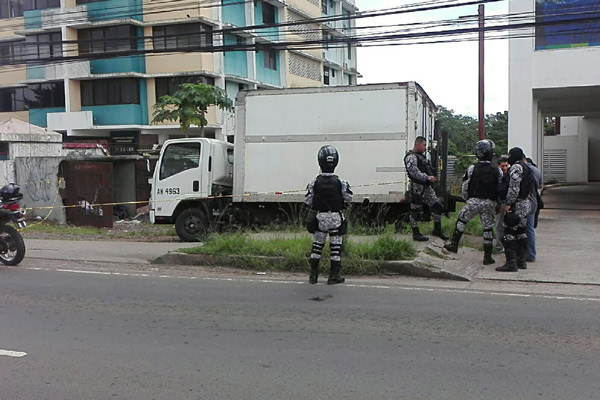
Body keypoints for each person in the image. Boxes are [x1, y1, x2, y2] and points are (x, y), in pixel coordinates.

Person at [444, 139, 503, 265]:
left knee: (461, 220)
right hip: (489, 202)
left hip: (473, 201)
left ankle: (454, 244)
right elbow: (500, 188)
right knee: (488, 228)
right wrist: (497, 203)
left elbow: (465, 186)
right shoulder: (497, 170)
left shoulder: (472, 168)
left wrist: (467, 199)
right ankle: (487, 257)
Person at [305, 145, 353, 285]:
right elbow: (349, 198)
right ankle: (333, 277)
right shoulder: (341, 182)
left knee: (317, 247)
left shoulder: (313, 182)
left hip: (320, 218)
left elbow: (308, 200)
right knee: (335, 249)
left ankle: (313, 276)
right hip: (336, 219)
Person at [403, 136, 448, 242]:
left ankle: (437, 230)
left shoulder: (422, 157)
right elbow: (414, 172)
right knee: (416, 211)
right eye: (423, 145)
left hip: (426, 187)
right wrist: (428, 177)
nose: (425, 147)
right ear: (417, 144)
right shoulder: (411, 157)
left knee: (437, 206)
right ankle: (416, 233)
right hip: (417, 187)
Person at [496, 147, 532, 272]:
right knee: (521, 232)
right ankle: (521, 261)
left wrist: (509, 203)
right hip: (525, 203)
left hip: (516, 205)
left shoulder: (516, 168)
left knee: (509, 233)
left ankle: (511, 263)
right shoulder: (527, 167)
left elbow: (514, 188)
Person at [524, 157, 542, 262]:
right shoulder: (536, 171)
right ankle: (531, 254)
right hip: (534, 202)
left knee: (519, 229)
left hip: (523, 203)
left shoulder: (520, 170)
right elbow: (540, 186)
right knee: (530, 229)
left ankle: (521, 253)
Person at [495, 156, 510, 252]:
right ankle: (499, 245)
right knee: (499, 225)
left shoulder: (510, 175)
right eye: (502, 166)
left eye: (506, 166)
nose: (504, 168)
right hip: (499, 203)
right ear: (498, 166)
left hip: (507, 203)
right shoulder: (496, 176)